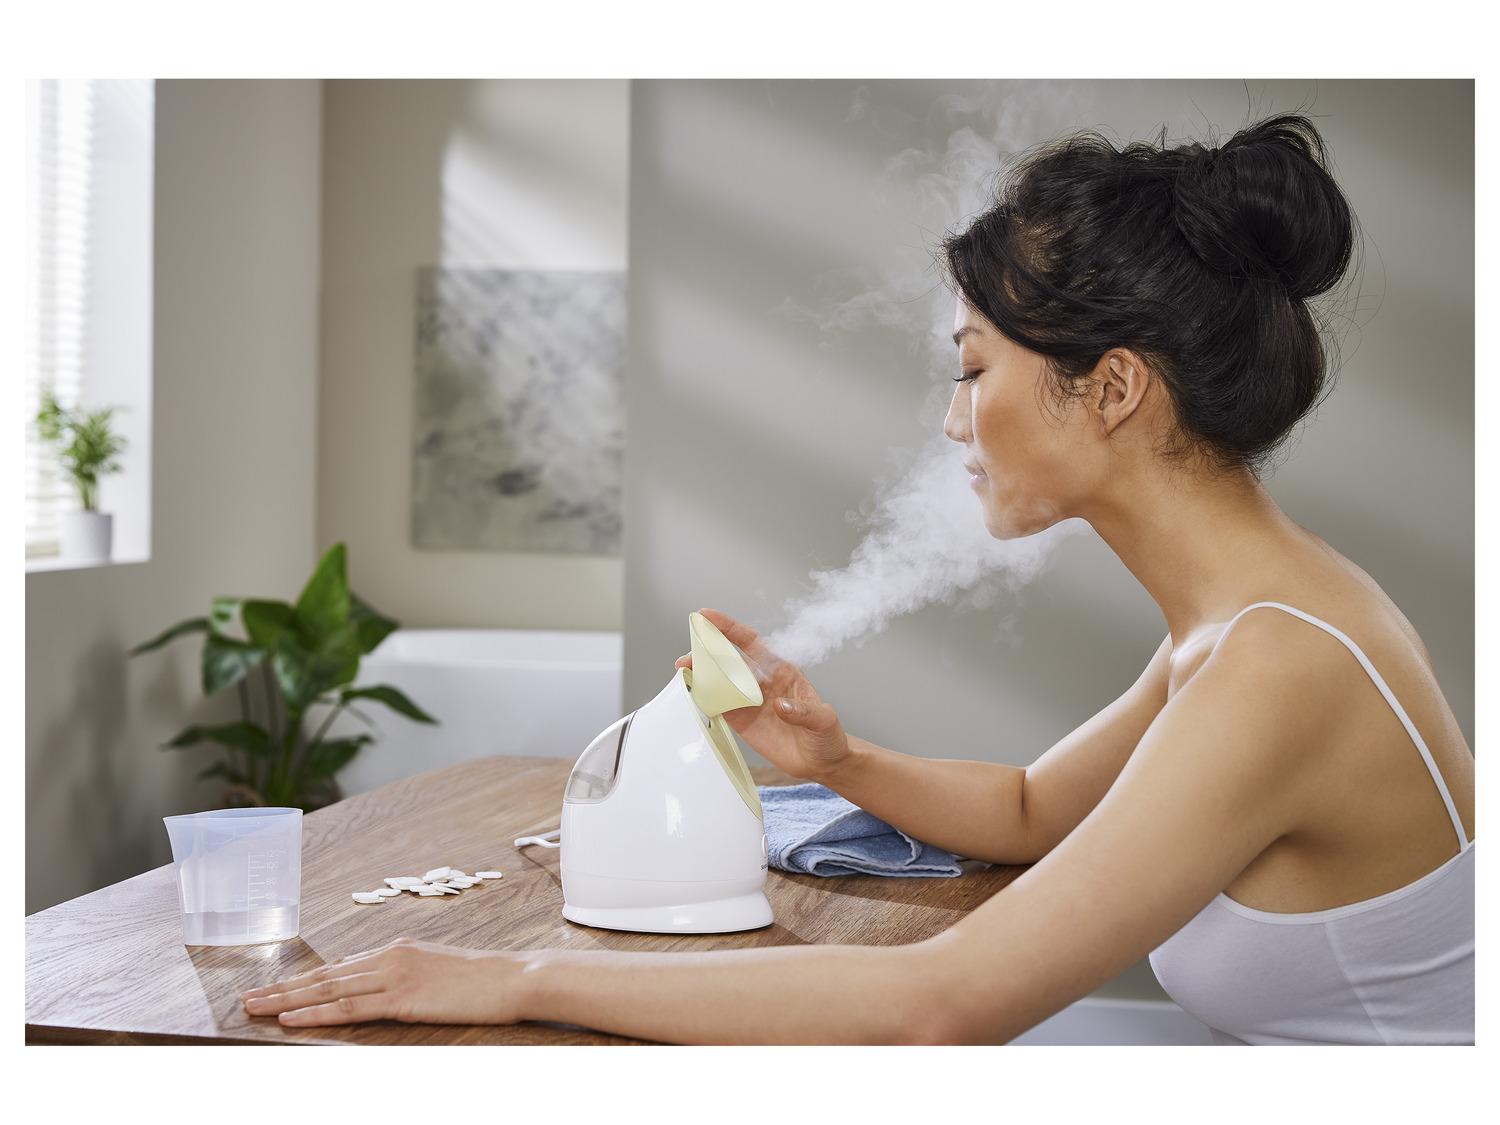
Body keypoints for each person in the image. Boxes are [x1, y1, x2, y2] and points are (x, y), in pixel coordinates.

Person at [239, 112, 1474, 1044]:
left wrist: (516, 980)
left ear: (1111, 388)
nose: (952, 421)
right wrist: (837, 761)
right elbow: (1036, 811)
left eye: (974, 370)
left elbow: (948, 1003)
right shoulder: (1249, 616)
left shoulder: (1279, 662)